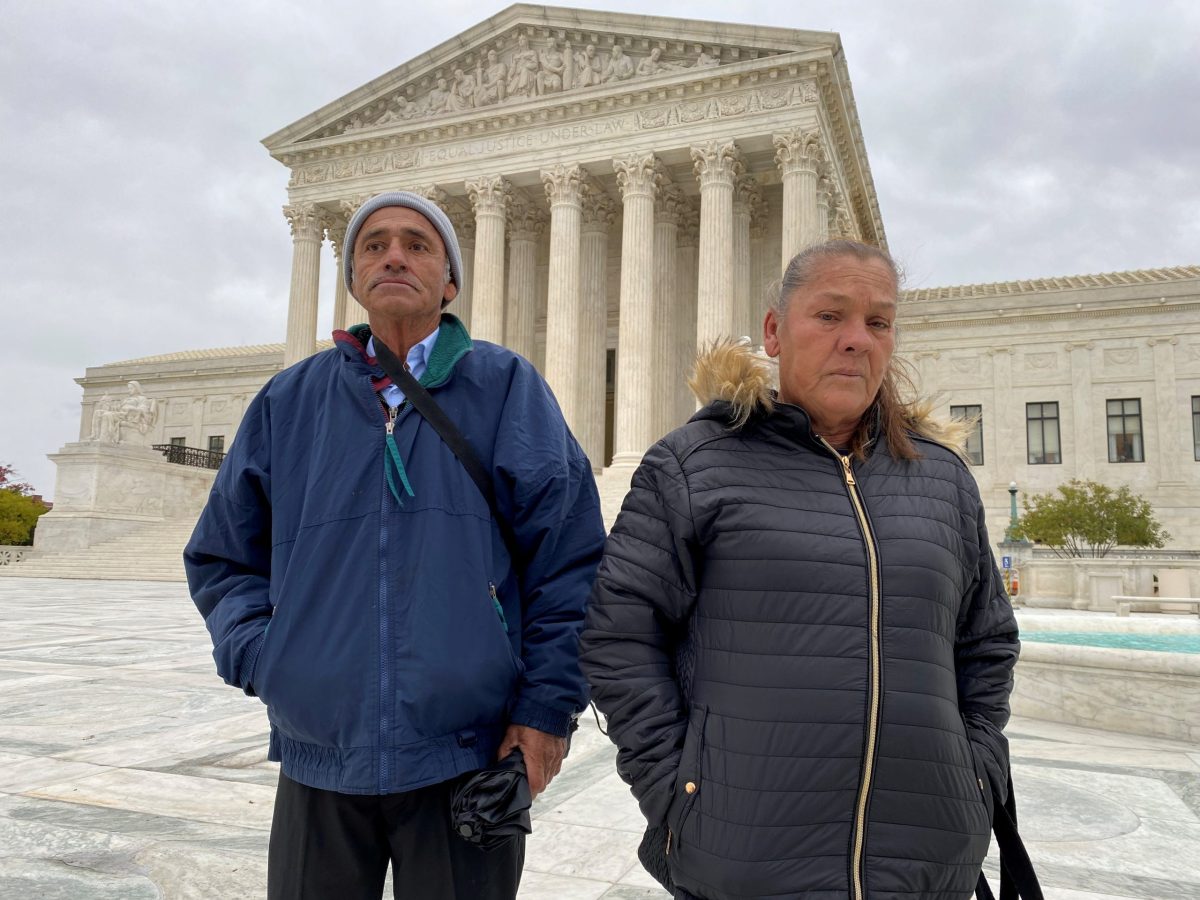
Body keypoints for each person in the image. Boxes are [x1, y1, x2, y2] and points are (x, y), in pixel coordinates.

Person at [186, 191, 605, 899]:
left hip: (467, 752)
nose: (393, 256)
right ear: (354, 279)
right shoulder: (289, 402)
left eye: (418, 244)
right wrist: (270, 656)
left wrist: (545, 711)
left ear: (450, 282)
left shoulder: (506, 389)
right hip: (321, 754)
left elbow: (571, 561)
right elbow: (223, 558)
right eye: (374, 245)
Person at [580, 240, 1020, 900]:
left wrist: (973, 775)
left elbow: (986, 643)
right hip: (746, 866)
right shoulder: (693, 467)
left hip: (923, 867)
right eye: (830, 316)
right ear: (774, 332)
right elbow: (618, 638)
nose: (856, 341)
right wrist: (682, 793)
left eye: (878, 322)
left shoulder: (941, 481)